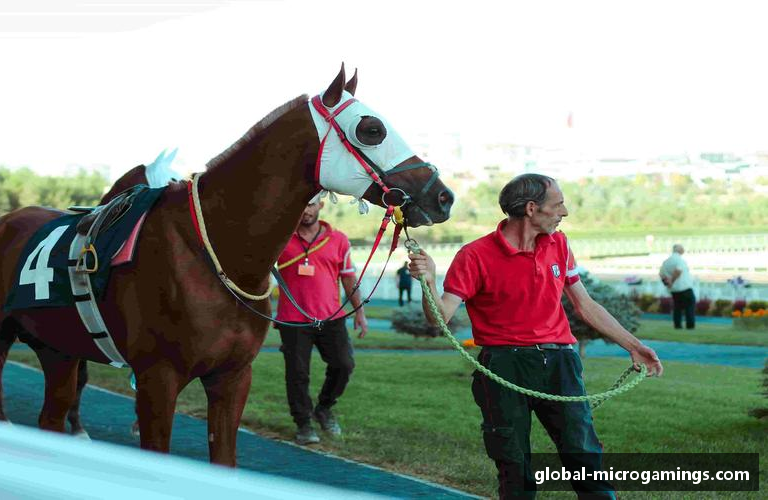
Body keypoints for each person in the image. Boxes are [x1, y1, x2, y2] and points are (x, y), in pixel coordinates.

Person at [408, 173, 663, 499]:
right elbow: (438, 317)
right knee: (513, 464)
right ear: (531, 209)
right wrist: (428, 280)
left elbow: (585, 305)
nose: (565, 212)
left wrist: (635, 346)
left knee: (583, 454)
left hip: (560, 362)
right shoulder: (474, 256)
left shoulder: (559, 244)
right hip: (504, 367)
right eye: (558, 205)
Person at [275, 199, 369, 445]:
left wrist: (359, 312)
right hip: (293, 320)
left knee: (344, 364)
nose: (306, 209)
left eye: (311, 204)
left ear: (321, 205)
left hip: (331, 318)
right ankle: (303, 424)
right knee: (297, 374)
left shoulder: (339, 240)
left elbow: (349, 279)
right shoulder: (280, 236)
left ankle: (324, 408)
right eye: (302, 205)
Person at [659, 244, 696, 330]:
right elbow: (678, 271)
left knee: (677, 307)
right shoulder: (679, 260)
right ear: (679, 250)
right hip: (684, 287)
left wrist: (667, 283)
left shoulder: (666, 261)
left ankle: (677, 325)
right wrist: (672, 280)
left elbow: (661, 274)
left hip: (674, 289)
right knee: (689, 306)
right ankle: (690, 326)